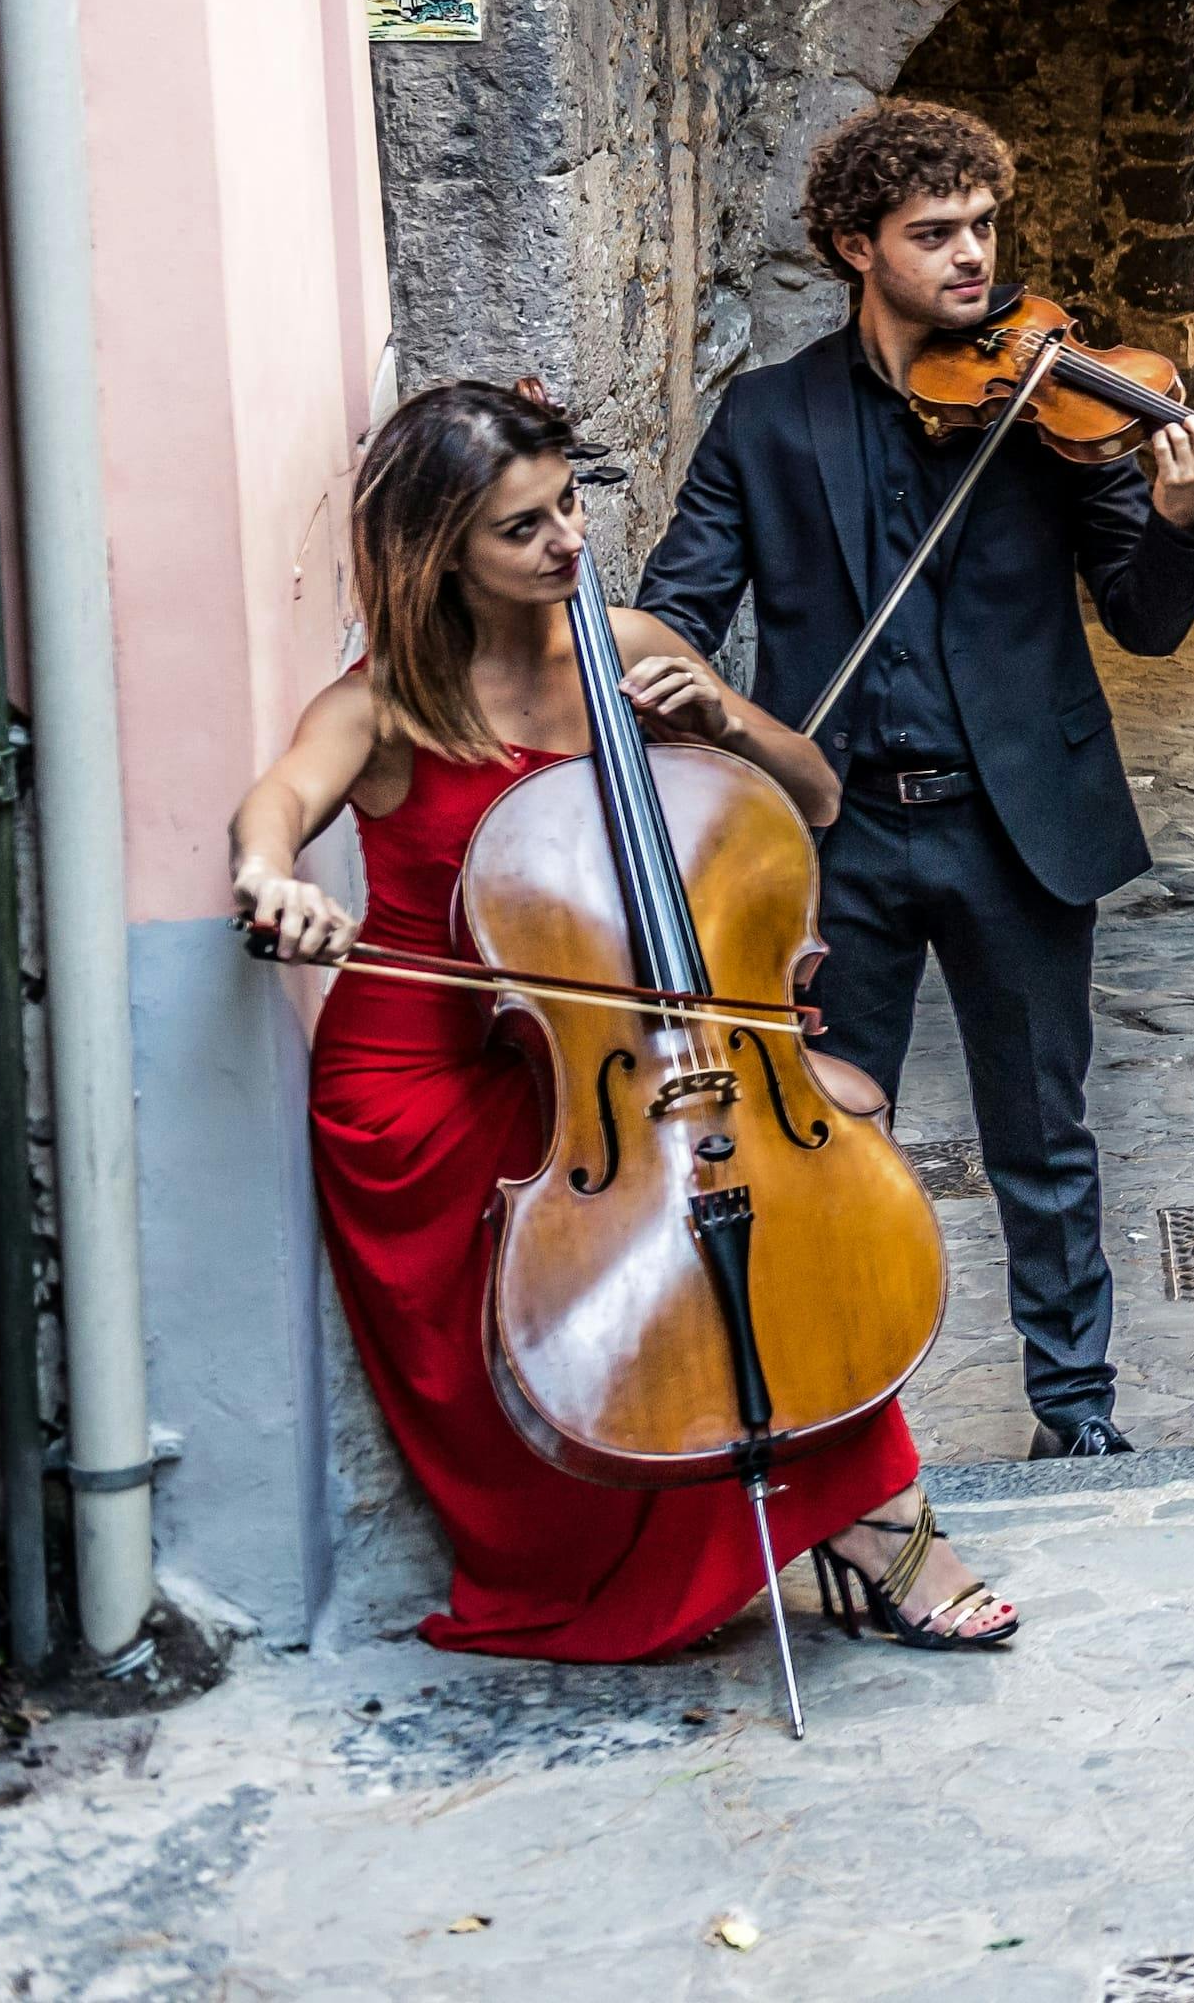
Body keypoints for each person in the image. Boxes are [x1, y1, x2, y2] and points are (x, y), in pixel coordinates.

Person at [229, 381, 1017, 1657]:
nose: (567, 542)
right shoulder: (387, 707)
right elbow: (275, 808)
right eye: (520, 529)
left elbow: (814, 798)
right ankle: (682, 1541)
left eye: (568, 504)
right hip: (432, 1078)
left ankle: (874, 1512)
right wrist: (270, 881)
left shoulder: (638, 647)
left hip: (620, 1049)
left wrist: (727, 724)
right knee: (578, 1316)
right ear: (440, 552)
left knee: (770, 1229)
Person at [638, 101, 1194, 1460]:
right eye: (935, 233)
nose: (974, 258)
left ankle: (1074, 1411)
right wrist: (683, 690)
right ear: (856, 246)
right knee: (831, 1139)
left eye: (983, 227)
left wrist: (1182, 512)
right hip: (835, 836)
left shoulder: (1053, 400)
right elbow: (680, 603)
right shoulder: (770, 420)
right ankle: (848, 1421)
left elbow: (1142, 619)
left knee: (1045, 1132)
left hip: (1018, 826)